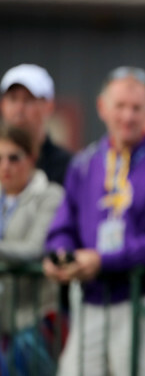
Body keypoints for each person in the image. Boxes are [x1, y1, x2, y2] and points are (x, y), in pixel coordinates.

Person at [43, 66, 145, 376]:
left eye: (136, 108)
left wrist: (102, 260)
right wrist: (59, 254)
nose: (128, 116)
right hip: (90, 301)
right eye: (120, 106)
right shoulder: (85, 163)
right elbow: (63, 224)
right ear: (102, 108)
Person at [0, 124, 63, 375]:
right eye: (0, 158)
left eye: (13, 158)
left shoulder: (50, 194)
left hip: (34, 322)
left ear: (31, 158)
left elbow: (35, 248)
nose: (5, 166)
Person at [1, 64, 72, 186]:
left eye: (28, 100)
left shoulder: (68, 168)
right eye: (13, 99)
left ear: (49, 106)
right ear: (2, 105)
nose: (19, 108)